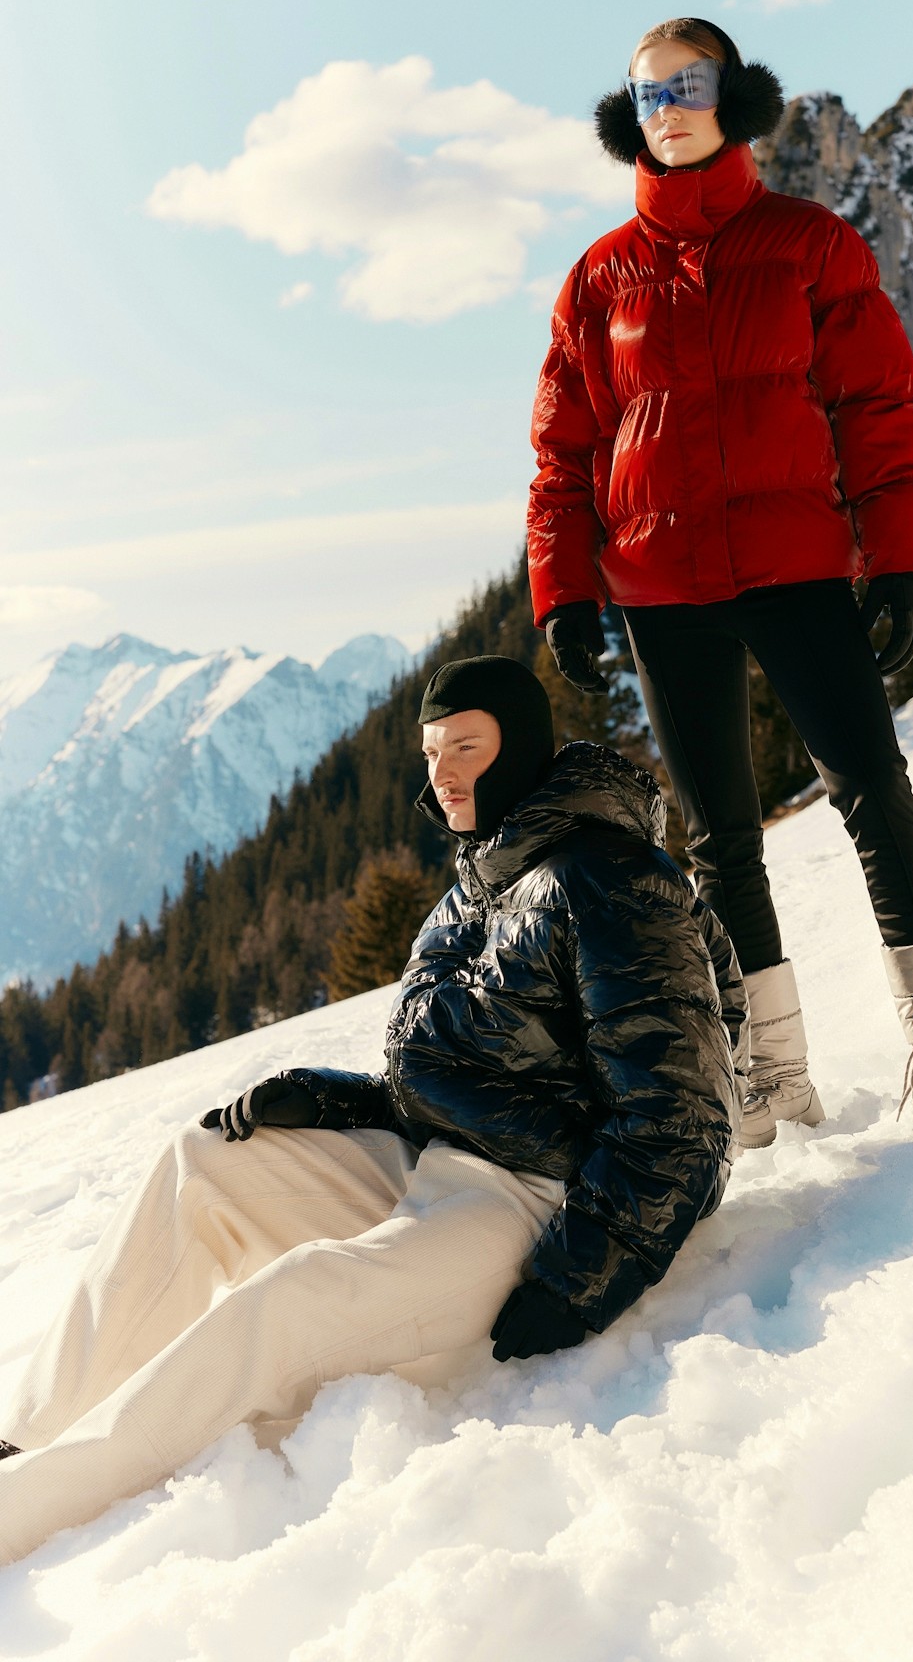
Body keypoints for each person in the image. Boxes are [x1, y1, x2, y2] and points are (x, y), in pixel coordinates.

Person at [0, 656, 742, 1567]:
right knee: (203, 1164)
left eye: (466, 744)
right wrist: (330, 1097)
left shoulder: (613, 878)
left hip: (549, 1202)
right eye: (432, 750)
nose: (443, 770)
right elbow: (465, 1072)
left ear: (525, 748)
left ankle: (22, 1511)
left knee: (293, 1298)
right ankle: (25, 1438)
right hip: (443, 1162)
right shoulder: (474, 884)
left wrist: (585, 1270)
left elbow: (684, 1114)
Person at [528, 15, 913, 1146]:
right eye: (646, 93)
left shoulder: (808, 243)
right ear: (624, 117)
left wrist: (902, 557)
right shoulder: (598, 277)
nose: (668, 106)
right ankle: (772, 1071)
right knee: (716, 834)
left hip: (793, 567)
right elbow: (565, 450)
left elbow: (877, 408)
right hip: (659, 583)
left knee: (870, 787)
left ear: (733, 97)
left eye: (689, 85)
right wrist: (565, 588)